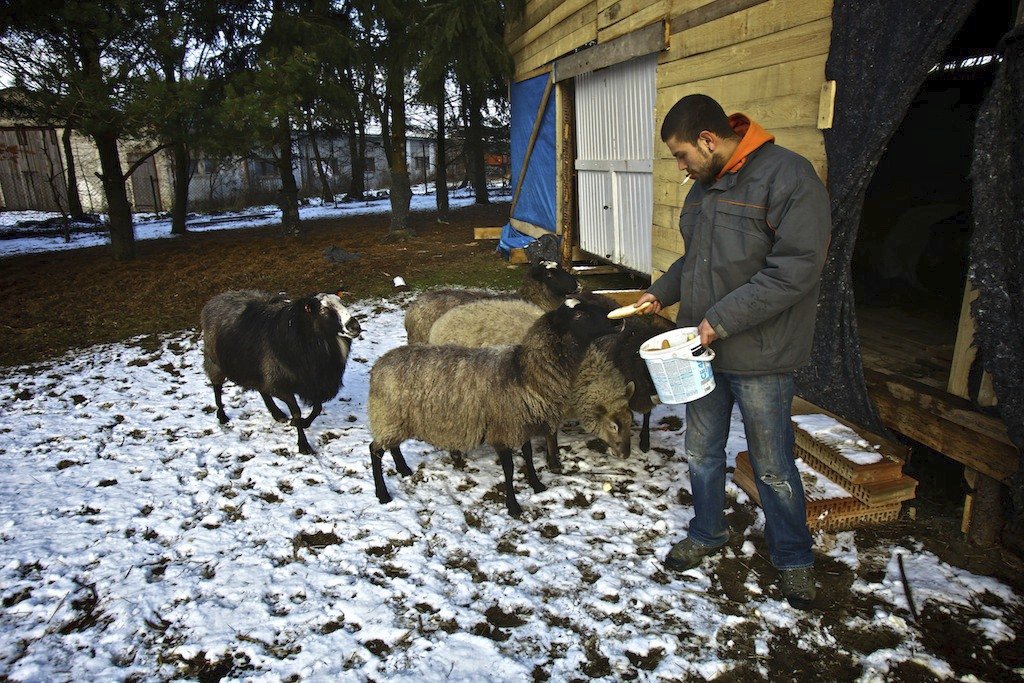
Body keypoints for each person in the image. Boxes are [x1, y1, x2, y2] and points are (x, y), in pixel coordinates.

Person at [635, 94, 831, 609]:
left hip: (762, 353)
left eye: (682, 155)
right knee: (700, 450)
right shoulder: (703, 187)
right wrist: (663, 289)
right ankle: (707, 532)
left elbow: (796, 268)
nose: (680, 167)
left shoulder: (789, 176)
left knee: (771, 463)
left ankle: (792, 556)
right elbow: (694, 259)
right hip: (701, 351)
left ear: (708, 139)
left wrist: (720, 320)